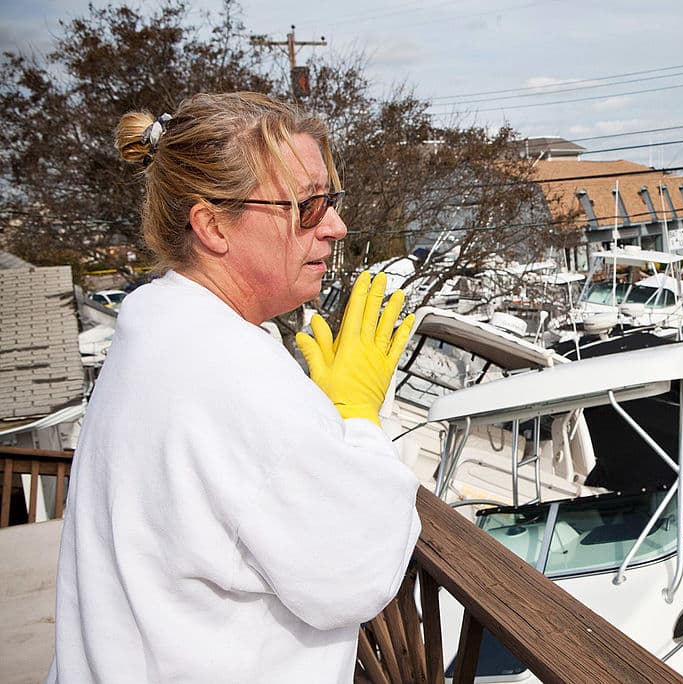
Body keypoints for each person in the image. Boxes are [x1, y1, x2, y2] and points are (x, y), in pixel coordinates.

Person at [47, 92, 421, 683]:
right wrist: (358, 419)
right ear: (213, 225)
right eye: (308, 206)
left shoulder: (156, 328)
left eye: (332, 200)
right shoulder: (231, 375)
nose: (336, 227)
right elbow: (354, 569)